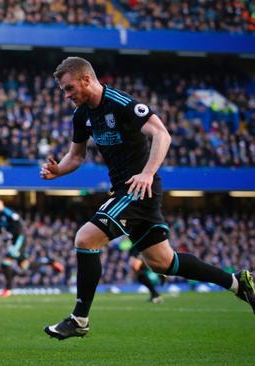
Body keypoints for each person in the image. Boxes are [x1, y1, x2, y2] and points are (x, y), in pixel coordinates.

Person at [40, 57, 255, 340]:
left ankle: (79, 319)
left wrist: (147, 173)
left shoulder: (121, 103)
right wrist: (58, 171)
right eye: (64, 91)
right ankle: (237, 283)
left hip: (138, 188)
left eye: (69, 88)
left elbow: (161, 134)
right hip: (127, 190)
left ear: (86, 79)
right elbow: (76, 156)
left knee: (85, 238)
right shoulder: (82, 116)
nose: (67, 96)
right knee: (162, 262)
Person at [0, 198, 63, 297]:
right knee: (25, 266)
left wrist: (11, 234)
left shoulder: (8, 212)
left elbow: (19, 226)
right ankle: (50, 262)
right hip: (13, 240)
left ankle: (8, 289)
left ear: (1, 204)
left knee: (6, 262)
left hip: (19, 239)